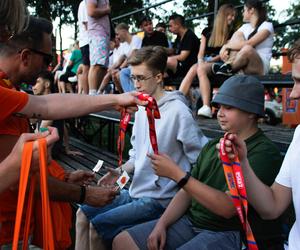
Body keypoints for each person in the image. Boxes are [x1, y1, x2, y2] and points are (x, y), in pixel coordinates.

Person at [0, 16, 146, 248]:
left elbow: (48, 104)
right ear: (26, 56)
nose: (49, 68)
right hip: (8, 229)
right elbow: (20, 178)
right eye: (47, 59)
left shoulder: (9, 90)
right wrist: (84, 195)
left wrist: (64, 176)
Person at [113, 75, 284, 250]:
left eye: (229, 107)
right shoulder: (212, 145)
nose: (220, 113)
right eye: (218, 107)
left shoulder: (264, 152)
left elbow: (227, 209)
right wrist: (161, 224)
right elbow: (186, 193)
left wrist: (177, 174)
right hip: (192, 222)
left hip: (229, 232)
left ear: (251, 112)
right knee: (123, 241)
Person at [75, 46, 208, 250]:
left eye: (141, 78)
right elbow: (137, 156)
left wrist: (178, 182)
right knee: (82, 214)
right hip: (136, 191)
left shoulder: (178, 112)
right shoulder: (141, 109)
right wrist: (120, 172)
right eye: (133, 77)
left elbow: (200, 160)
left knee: (97, 226)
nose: (135, 84)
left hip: (160, 200)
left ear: (158, 77)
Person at [221, 39, 300, 249]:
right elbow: (271, 207)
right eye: (294, 82)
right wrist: (242, 162)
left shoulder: (266, 151)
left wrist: (179, 177)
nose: (293, 93)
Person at [179, 4, 236, 118]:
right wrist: (201, 61)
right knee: (194, 68)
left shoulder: (232, 33)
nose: (233, 18)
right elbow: (201, 52)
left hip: (220, 62)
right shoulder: (207, 31)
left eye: (234, 16)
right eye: (230, 15)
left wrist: (207, 62)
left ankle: (205, 106)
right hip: (206, 61)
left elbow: (224, 55)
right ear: (223, 15)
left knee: (198, 68)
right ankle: (178, 100)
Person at [214, 0, 274, 77]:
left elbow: (250, 43)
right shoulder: (245, 27)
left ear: (251, 10)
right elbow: (232, 41)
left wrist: (226, 46)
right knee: (237, 36)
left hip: (260, 66)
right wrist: (225, 47)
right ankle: (228, 67)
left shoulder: (267, 26)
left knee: (247, 48)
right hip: (242, 62)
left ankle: (228, 68)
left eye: (244, 10)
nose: (242, 13)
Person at [32, 70, 83, 156]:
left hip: (48, 152)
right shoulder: (53, 101)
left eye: (37, 82)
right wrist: (67, 149)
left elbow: (41, 131)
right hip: (53, 148)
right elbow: (64, 127)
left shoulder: (50, 105)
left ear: (47, 84)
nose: (33, 87)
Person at [118, 16, 170, 94]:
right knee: (124, 72)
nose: (149, 26)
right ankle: (133, 95)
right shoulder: (144, 39)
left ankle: (136, 96)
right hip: (146, 63)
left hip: (155, 63)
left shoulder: (160, 35)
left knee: (135, 72)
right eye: (146, 25)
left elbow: (164, 51)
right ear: (142, 28)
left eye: (150, 24)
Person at [86, 0, 111, 95]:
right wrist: (107, 10)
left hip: (103, 33)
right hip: (98, 33)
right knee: (96, 64)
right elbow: (91, 11)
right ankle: (92, 95)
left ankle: (96, 94)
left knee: (102, 66)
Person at [167, 14, 200, 78]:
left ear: (178, 25)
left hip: (189, 66)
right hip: (180, 64)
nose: (169, 29)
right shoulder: (179, 36)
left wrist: (165, 59)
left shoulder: (189, 36)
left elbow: (182, 57)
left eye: (171, 26)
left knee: (167, 61)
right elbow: (174, 50)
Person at [114, 22, 142, 93]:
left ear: (123, 31)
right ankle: (127, 95)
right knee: (120, 73)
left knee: (123, 72)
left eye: (117, 34)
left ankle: (132, 96)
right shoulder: (124, 44)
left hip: (138, 65)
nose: (117, 37)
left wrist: (120, 68)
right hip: (130, 67)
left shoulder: (136, 38)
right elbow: (120, 59)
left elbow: (133, 55)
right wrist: (111, 69)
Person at [77, 0, 90, 94]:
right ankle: (87, 95)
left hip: (86, 41)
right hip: (88, 41)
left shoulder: (84, 3)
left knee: (88, 69)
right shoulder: (84, 4)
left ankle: (88, 94)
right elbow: (86, 24)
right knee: (87, 69)